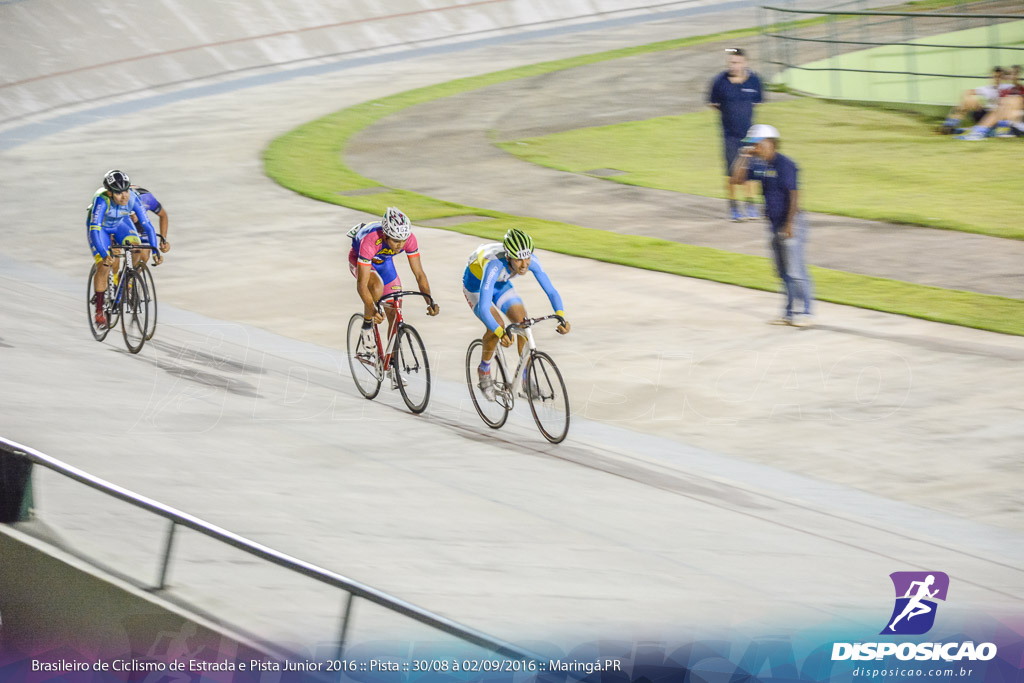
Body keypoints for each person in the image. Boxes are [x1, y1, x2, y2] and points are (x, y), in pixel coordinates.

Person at [463, 229, 570, 401]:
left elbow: (551, 291)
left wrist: (561, 315)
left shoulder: (530, 261)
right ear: (508, 257)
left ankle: (526, 378)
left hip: (499, 283)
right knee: (495, 327)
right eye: (518, 259)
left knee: (523, 323)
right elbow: (484, 307)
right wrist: (499, 332)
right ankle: (484, 371)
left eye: (527, 257)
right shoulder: (494, 265)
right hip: (476, 286)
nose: (524, 264)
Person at [729, 124, 814, 327]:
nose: (754, 148)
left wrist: (790, 225)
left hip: (791, 223)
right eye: (752, 145)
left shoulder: (785, 164)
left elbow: (794, 196)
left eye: (756, 144)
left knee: (795, 271)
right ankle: (789, 313)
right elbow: (736, 179)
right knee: (782, 272)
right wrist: (744, 155)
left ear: (769, 143)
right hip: (774, 225)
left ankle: (807, 312)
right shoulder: (759, 165)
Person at [348, 207, 439, 388]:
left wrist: (430, 301)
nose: (400, 245)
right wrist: (372, 310)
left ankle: (391, 365)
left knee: (395, 306)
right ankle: (367, 326)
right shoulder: (371, 240)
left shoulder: (408, 240)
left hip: (383, 262)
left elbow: (419, 274)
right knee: (375, 286)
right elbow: (362, 285)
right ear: (386, 235)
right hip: (361, 259)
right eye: (396, 240)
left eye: (403, 240)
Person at [87, 170, 158, 328]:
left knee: (137, 249)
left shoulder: (133, 197)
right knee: (104, 265)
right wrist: (105, 254)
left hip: (120, 223)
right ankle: (99, 309)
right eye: (119, 193)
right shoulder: (101, 200)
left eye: (126, 190)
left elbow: (147, 225)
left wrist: (155, 251)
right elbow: (95, 230)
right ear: (110, 193)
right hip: (102, 229)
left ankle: (125, 283)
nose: (124, 196)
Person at [708, 47, 763, 222]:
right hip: (729, 135)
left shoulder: (754, 81)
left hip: (750, 134)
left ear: (745, 62)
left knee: (750, 171)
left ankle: (750, 204)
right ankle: (734, 208)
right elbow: (713, 103)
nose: (734, 65)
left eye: (737, 62)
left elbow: (757, 103)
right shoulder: (719, 82)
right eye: (731, 62)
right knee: (731, 173)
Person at [957, 64, 1024, 140]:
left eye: (1015, 74)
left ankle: (979, 131)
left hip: (1018, 119)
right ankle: (978, 132)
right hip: (1007, 120)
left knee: (1011, 101)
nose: (1012, 76)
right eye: (1009, 74)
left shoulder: (1021, 90)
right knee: (1000, 106)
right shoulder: (1005, 91)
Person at [941, 66, 1007, 134]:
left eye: (999, 77)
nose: (997, 79)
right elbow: (966, 93)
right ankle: (950, 125)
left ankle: (954, 127)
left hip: (997, 116)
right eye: (995, 76)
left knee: (997, 110)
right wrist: (972, 100)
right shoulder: (987, 88)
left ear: (1003, 78)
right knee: (968, 99)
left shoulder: (1007, 87)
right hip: (985, 114)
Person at [130, 185, 172, 265]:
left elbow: (163, 215)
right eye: (130, 214)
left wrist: (163, 240)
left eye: (136, 212)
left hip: (140, 224)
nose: (134, 217)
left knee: (143, 257)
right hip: (118, 221)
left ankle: (130, 275)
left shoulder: (148, 199)